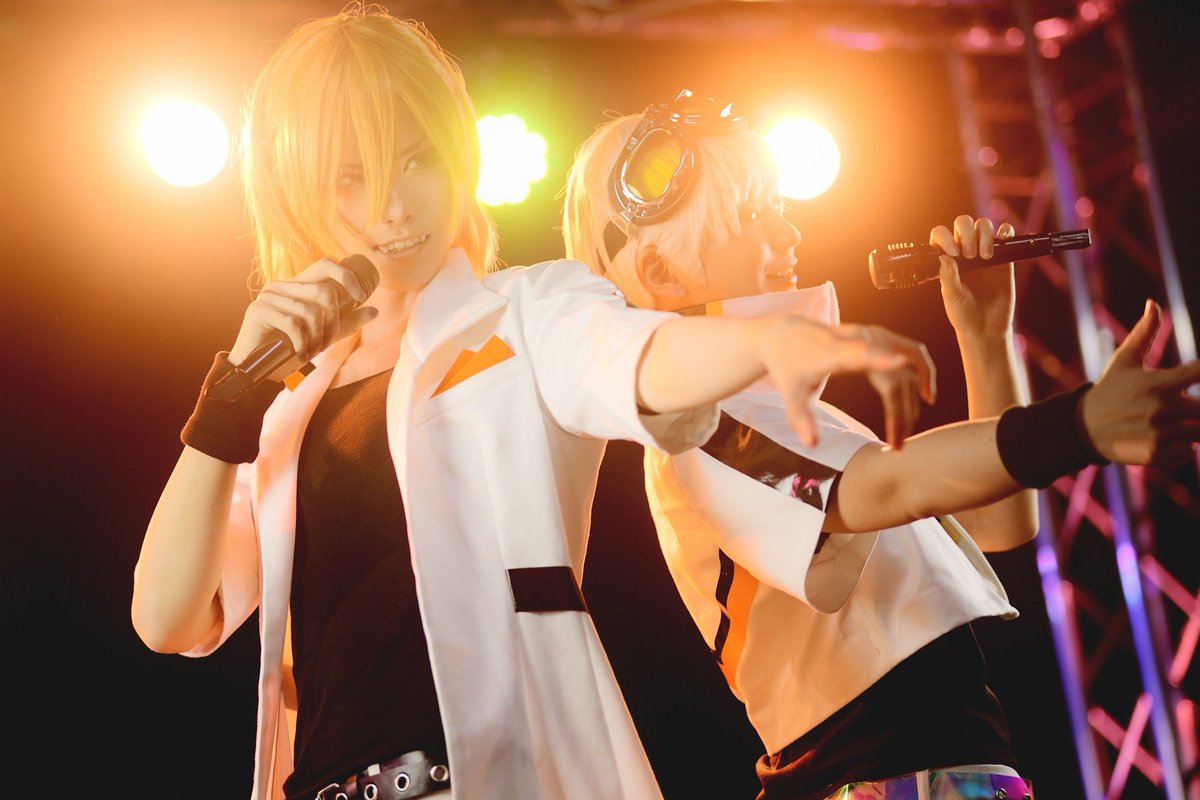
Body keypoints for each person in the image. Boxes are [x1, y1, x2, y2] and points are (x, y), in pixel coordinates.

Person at [129, 12, 940, 800]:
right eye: (352, 178)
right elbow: (169, 618)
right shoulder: (286, 406)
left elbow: (636, 356)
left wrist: (763, 342)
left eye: (417, 159)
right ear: (296, 189)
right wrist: (232, 395)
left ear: (458, 155)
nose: (394, 206)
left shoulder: (528, 308)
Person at [562, 90, 1200, 799]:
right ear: (661, 274)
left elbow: (999, 521)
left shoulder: (780, 412)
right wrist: (1078, 424)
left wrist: (985, 337)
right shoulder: (698, 426)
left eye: (779, 205)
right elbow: (887, 485)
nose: (788, 232)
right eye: (752, 215)